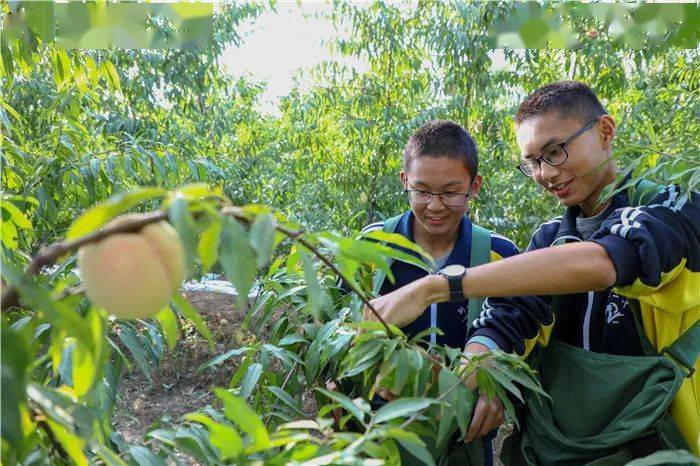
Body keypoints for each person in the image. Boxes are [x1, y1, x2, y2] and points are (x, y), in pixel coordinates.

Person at [364, 81, 699, 464]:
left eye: (554, 152)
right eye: (533, 162)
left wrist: (436, 287)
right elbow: (506, 321)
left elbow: (607, 261)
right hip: (565, 448)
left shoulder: (675, 207)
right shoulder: (549, 239)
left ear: (605, 131)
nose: (545, 173)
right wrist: (458, 379)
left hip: (662, 444)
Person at [354, 120, 521, 465]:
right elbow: (337, 330)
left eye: (450, 192)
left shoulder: (498, 255)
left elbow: (518, 338)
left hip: (464, 439)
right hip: (381, 433)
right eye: (422, 191)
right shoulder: (371, 246)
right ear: (404, 181)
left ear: (475, 186)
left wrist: (500, 389)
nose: (434, 205)